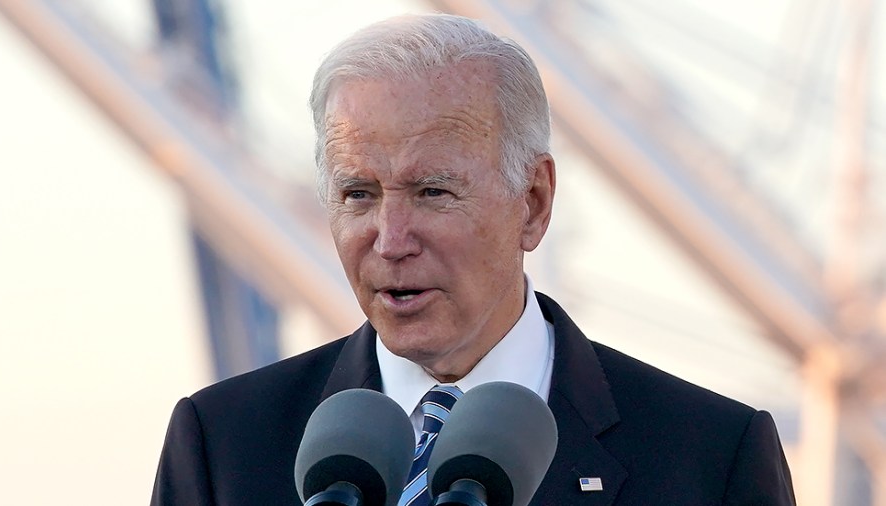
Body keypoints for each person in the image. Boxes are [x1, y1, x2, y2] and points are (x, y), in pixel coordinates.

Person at [151, 13, 795, 505]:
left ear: (534, 203)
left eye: (433, 192)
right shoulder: (222, 447)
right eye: (358, 194)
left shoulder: (709, 457)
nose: (391, 237)